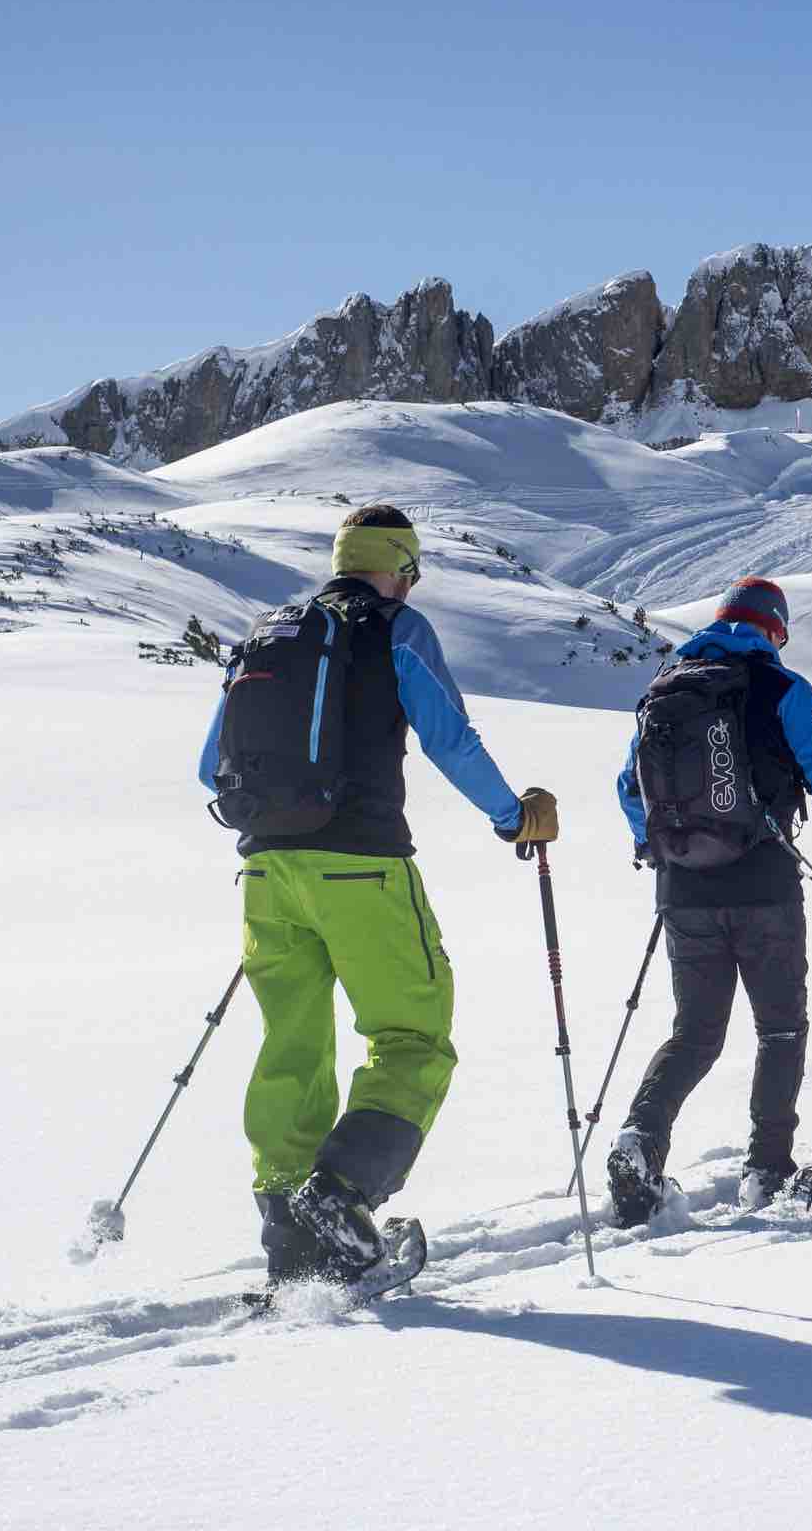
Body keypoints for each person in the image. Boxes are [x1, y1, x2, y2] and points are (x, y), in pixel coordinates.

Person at [198, 504, 557, 1286]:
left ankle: (289, 1235)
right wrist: (513, 817)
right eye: (412, 568)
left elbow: (208, 768)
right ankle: (342, 1190)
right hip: (361, 864)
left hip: (264, 873)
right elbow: (449, 737)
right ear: (398, 563)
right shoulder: (395, 627)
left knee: (293, 1044)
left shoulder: (269, 633)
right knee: (413, 1037)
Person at [609, 576, 812, 1223]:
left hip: (683, 886)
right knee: (779, 1028)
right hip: (763, 884)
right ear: (774, 629)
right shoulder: (783, 689)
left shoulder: (666, 686)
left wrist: (653, 847)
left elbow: (628, 785)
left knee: (694, 1032)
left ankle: (639, 1140)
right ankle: (768, 1169)